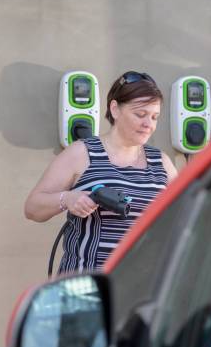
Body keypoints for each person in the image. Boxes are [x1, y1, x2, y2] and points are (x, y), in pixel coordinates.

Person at [25, 71, 178, 274]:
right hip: (87, 288)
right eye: (140, 115)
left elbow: (193, 214)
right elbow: (32, 208)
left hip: (141, 290)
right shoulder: (82, 152)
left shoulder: (162, 162)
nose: (148, 124)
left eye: (154, 117)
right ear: (115, 109)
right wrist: (67, 199)